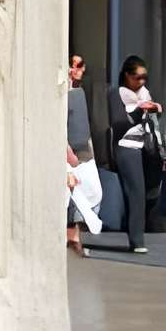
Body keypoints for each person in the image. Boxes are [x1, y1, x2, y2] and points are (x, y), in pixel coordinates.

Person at [111, 56, 162, 254]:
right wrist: (140, 111)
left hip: (146, 147)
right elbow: (119, 123)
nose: (141, 82)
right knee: (136, 192)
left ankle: (139, 232)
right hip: (127, 146)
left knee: (149, 191)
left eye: (144, 77)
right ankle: (137, 240)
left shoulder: (145, 94)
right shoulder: (118, 94)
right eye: (136, 77)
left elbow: (156, 115)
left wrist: (155, 108)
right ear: (126, 75)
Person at [66, 52, 102, 256]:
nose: (76, 70)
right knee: (72, 193)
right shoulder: (63, 91)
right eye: (73, 65)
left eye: (80, 66)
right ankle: (71, 237)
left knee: (91, 191)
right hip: (70, 150)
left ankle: (75, 236)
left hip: (84, 148)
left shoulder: (79, 91)